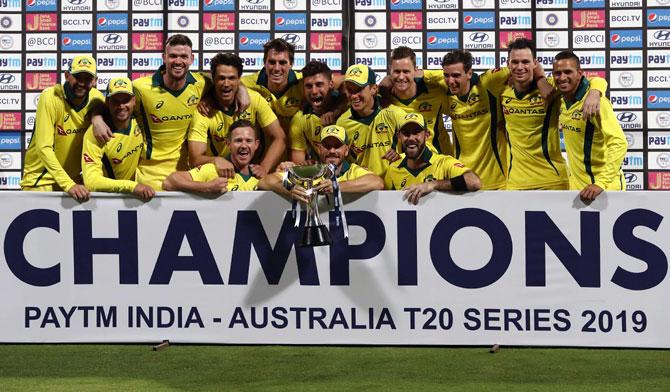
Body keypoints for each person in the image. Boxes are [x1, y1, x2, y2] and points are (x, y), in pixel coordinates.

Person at [92, 34, 210, 190]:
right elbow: (113, 101)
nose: (178, 61)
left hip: (186, 173)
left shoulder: (201, 84)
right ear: (164, 57)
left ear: (191, 59)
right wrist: (96, 118)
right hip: (149, 175)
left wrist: (232, 92)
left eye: (183, 56)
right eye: (173, 56)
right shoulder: (141, 88)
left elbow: (227, 83)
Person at [502, 38, 607, 190]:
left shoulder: (553, 87)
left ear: (535, 64)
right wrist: (540, 77)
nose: (520, 67)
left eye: (525, 62)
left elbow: (591, 80)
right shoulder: (501, 89)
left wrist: (595, 92)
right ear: (508, 64)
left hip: (553, 180)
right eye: (515, 62)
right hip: (515, 182)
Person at [187, 53, 285, 179]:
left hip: (249, 174)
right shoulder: (204, 111)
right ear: (213, 79)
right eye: (221, 78)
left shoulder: (254, 99)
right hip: (218, 176)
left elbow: (280, 138)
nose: (226, 84)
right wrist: (216, 160)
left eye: (232, 78)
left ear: (239, 79)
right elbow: (195, 159)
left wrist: (264, 168)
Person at [20, 55, 104, 201]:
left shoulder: (97, 100)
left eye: (88, 78)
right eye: (78, 77)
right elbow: (44, 148)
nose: (82, 83)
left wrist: (97, 117)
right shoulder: (50, 97)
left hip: (75, 183)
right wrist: (68, 185)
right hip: (41, 181)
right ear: (67, 76)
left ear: (95, 81)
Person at [552, 51, 627, 203]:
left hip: (603, 189)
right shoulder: (560, 97)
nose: (562, 77)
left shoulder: (597, 103)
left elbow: (619, 143)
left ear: (579, 73)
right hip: (577, 189)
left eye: (568, 72)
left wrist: (600, 183)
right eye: (557, 73)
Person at [258, 124, 384, 200]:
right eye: (327, 146)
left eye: (337, 146)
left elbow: (377, 182)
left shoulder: (353, 171)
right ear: (319, 148)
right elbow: (265, 181)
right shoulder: (310, 170)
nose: (332, 151)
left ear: (346, 150)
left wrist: (337, 186)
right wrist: (289, 187)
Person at [81, 77, 155, 201]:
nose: (121, 106)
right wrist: (132, 186)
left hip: (140, 194)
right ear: (107, 101)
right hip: (109, 200)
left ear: (134, 101)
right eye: (115, 101)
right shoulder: (96, 133)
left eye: (126, 100)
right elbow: (91, 181)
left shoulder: (142, 120)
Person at [385, 113, 481, 204]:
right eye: (406, 133)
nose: (411, 138)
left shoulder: (443, 162)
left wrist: (433, 185)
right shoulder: (393, 168)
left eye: (416, 132)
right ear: (399, 137)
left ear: (427, 135)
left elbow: (474, 182)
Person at [336, 64, 407, 177]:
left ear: (373, 89)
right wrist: (352, 170)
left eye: (359, 89)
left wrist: (401, 156)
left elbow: (418, 147)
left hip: (394, 189)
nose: (354, 96)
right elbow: (341, 161)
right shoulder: (342, 123)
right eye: (350, 90)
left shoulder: (394, 114)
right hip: (363, 188)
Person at [381, 46, 452, 155]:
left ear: (415, 70)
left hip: (438, 164)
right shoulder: (383, 98)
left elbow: (460, 79)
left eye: (406, 71)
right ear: (390, 70)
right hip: (399, 166)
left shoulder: (435, 92)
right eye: (396, 71)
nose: (401, 77)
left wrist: (425, 73)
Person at [162, 119, 262, 193]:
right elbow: (169, 182)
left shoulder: (261, 177)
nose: (244, 145)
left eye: (248, 141)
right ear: (228, 144)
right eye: (238, 140)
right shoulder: (212, 170)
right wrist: (207, 187)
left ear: (256, 145)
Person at [241, 38, 305, 133]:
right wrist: (239, 88)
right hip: (262, 147)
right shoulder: (249, 82)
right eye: (272, 62)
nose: (276, 68)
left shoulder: (303, 82)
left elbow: (331, 81)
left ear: (291, 64)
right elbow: (218, 83)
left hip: (296, 146)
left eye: (282, 62)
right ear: (264, 63)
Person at [289, 60, 346, 164]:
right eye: (308, 86)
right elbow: (298, 164)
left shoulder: (348, 109)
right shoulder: (300, 119)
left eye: (319, 84)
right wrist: (306, 166)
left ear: (331, 84)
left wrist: (336, 112)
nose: (314, 91)